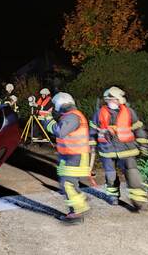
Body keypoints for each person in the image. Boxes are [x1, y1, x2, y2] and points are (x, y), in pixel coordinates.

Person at [89, 86, 148, 211]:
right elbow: (92, 131)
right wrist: (92, 144)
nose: (111, 102)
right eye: (109, 99)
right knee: (110, 175)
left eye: (114, 99)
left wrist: (143, 144)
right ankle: (113, 196)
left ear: (120, 100)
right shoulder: (99, 113)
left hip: (127, 149)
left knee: (132, 173)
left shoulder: (129, 112)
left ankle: (138, 200)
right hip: (107, 150)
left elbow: (138, 129)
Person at [42, 92, 91, 224]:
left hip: (75, 156)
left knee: (67, 183)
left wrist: (47, 119)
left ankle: (77, 213)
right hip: (71, 155)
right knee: (68, 183)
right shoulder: (72, 116)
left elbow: (60, 131)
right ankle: (80, 202)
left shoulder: (72, 117)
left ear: (59, 105)